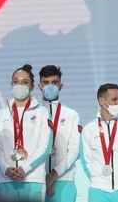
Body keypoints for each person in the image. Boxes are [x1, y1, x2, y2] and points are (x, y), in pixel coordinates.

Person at [0, 64, 52, 202]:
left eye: (25, 82)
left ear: (31, 86)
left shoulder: (42, 112)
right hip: (5, 179)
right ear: (11, 84)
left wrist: (25, 168)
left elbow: (45, 147)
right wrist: (6, 168)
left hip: (32, 178)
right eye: (16, 81)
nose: (20, 85)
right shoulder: (1, 114)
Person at [81, 83, 118, 202]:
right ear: (101, 101)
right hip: (98, 191)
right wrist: (97, 180)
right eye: (114, 100)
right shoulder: (89, 129)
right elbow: (86, 160)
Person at [37, 65, 80, 202]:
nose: (50, 86)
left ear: (60, 86)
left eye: (54, 83)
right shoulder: (32, 114)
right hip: (37, 182)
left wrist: (52, 176)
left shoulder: (72, 115)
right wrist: (43, 178)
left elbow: (74, 151)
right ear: (39, 86)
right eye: (46, 82)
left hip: (64, 181)